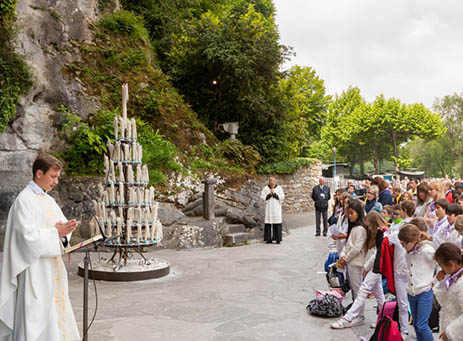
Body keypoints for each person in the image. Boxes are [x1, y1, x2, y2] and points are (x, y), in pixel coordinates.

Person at [0, 153, 80, 341]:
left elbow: (60, 229)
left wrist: (65, 231)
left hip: (51, 269)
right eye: (53, 176)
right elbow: (27, 239)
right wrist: (56, 234)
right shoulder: (24, 201)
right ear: (38, 173)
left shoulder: (47, 200)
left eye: (58, 177)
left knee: (55, 315)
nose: (56, 181)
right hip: (34, 272)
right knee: (35, 317)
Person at [331, 211, 386, 330]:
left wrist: (365, 268)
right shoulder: (376, 233)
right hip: (374, 266)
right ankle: (383, 319)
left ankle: (349, 317)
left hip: (375, 267)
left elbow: (377, 254)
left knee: (363, 291)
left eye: (369, 225)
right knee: (379, 293)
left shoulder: (381, 234)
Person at [398, 224, 435, 341]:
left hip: (425, 292)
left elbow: (440, 265)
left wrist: (434, 281)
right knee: (416, 325)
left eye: (404, 243)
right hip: (412, 293)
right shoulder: (407, 253)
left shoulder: (427, 250)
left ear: (412, 241)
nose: (402, 246)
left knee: (422, 325)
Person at [433, 243, 463, 341]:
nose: (442, 270)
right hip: (448, 326)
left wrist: (451, 333)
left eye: (442, 267)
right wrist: (441, 284)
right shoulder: (452, 277)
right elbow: (446, 303)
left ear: (451, 264)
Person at [338, 199, 366, 302]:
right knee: (354, 288)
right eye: (348, 213)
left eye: (352, 213)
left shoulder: (361, 229)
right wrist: (342, 255)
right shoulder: (353, 227)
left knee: (357, 289)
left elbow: (356, 248)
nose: (349, 216)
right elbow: (347, 244)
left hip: (356, 263)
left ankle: (359, 313)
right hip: (350, 262)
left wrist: (346, 258)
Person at [260, 177, 285, 244]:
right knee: (268, 223)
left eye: (273, 184)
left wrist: (274, 194)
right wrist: (269, 195)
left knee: (277, 223)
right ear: (269, 183)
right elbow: (263, 197)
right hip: (269, 208)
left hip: (276, 208)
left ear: (275, 183)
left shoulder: (279, 188)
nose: (272, 185)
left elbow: (282, 196)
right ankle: (268, 239)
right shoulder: (265, 188)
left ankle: (277, 239)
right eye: (271, 184)